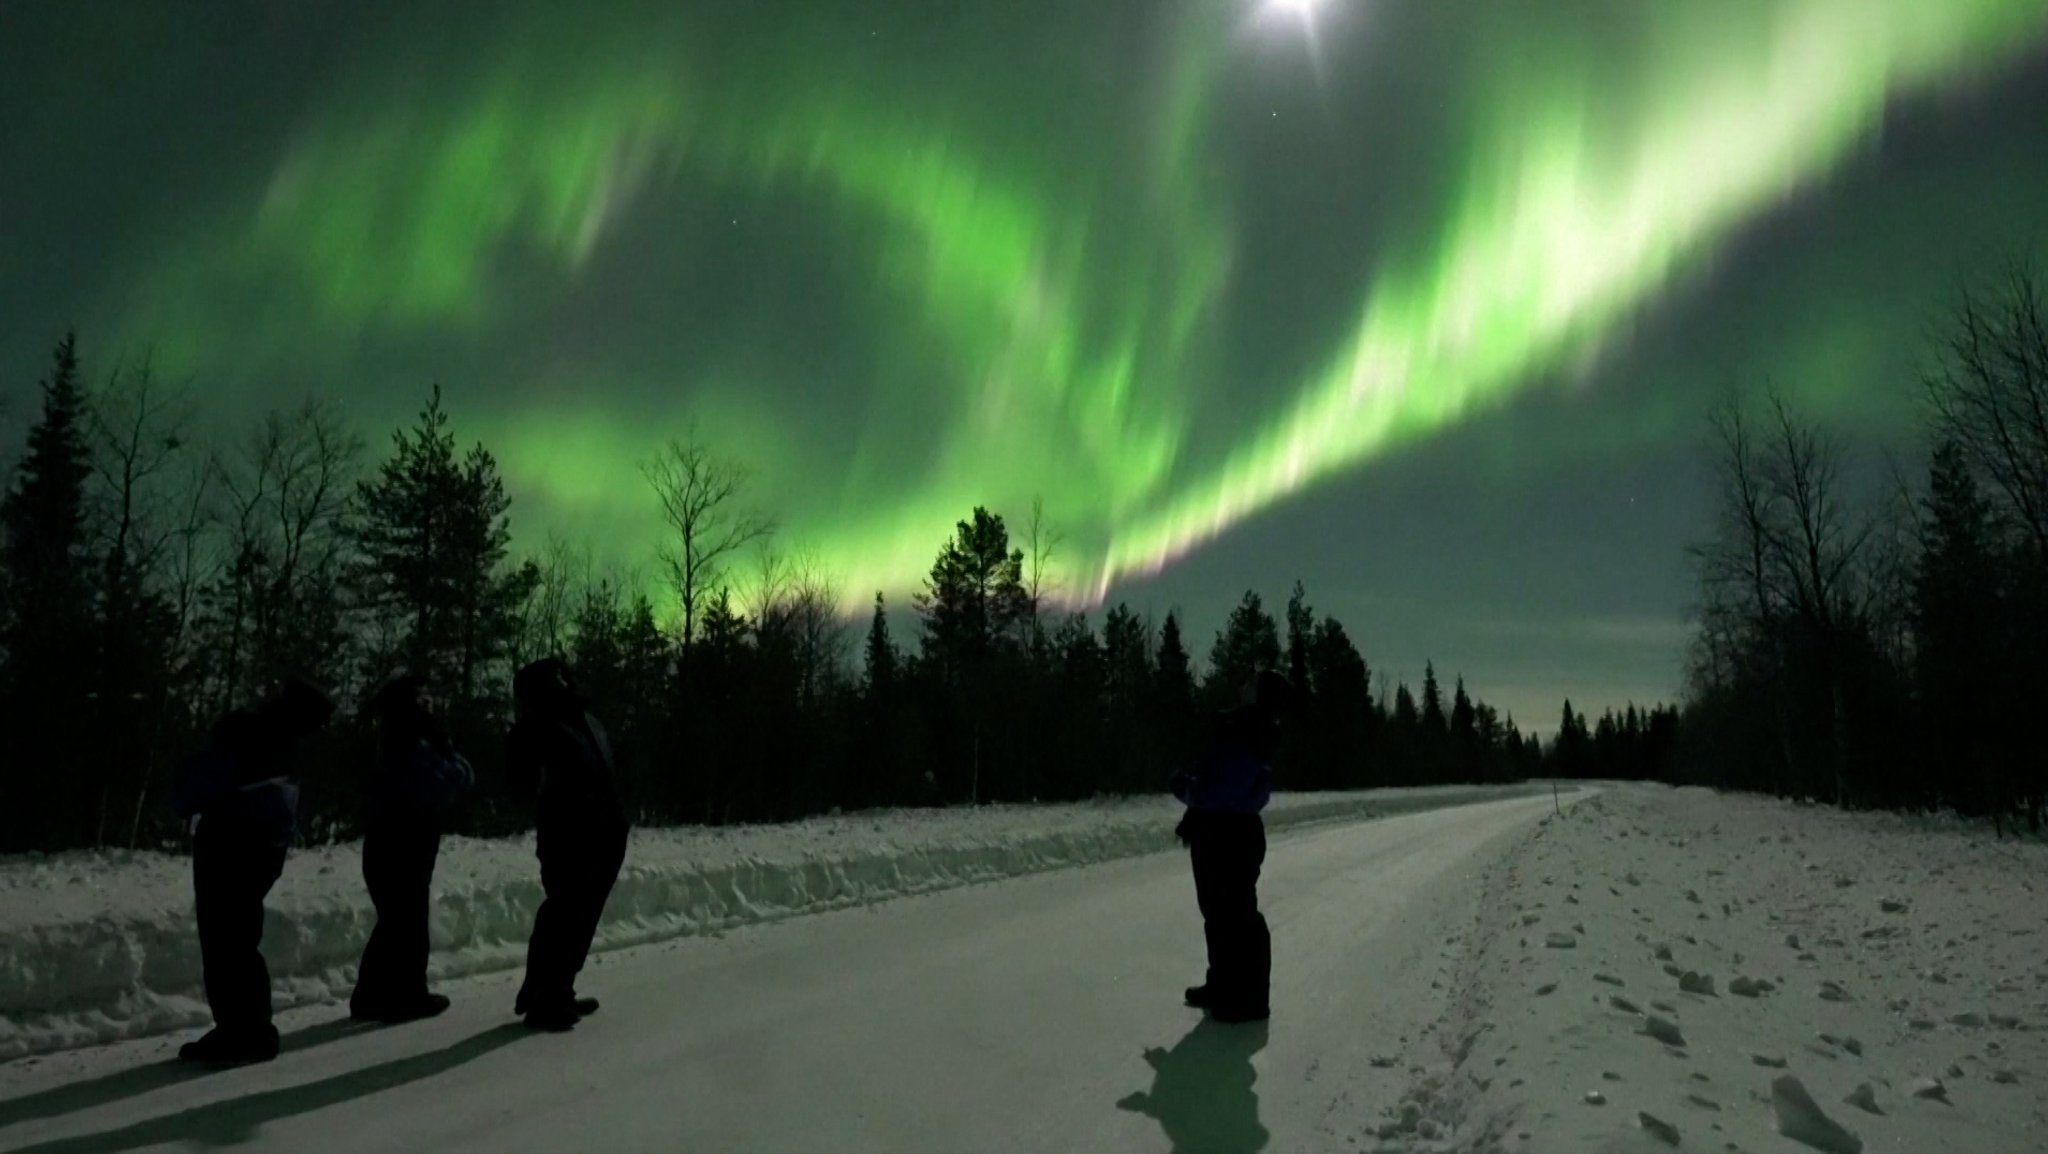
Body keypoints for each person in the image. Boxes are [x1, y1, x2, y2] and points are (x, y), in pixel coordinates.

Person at [168, 677, 336, 1065]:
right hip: (260, 846)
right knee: (236, 938)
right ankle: (241, 1028)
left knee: (227, 941)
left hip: (231, 844)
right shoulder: (283, 745)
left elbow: (186, 792)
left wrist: (224, 741)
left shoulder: (252, 741)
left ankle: (246, 1033)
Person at [508, 656, 629, 1031]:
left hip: (605, 834)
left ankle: (559, 989)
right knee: (563, 914)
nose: (563, 681)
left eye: (563, 675)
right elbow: (520, 777)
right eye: (553, 678)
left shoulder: (586, 719)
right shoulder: (540, 726)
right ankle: (542, 996)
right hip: (567, 836)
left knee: (582, 917)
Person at [1170, 669, 1294, 1024]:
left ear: (1262, 696)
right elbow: (1215, 777)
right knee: (1218, 913)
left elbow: (1223, 787)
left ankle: (1251, 999)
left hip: (1232, 833)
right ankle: (1223, 985)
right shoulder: (1242, 727)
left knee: (1237, 915)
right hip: (1217, 829)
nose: (1243, 686)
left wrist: (1186, 789)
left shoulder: (1252, 731)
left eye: (1251, 684)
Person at [349, 674, 473, 1023]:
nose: (430, 706)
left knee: (396, 920)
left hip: (395, 841)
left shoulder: (400, 742)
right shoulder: (405, 746)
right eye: (423, 700)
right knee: (406, 921)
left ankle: (371, 996)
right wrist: (448, 753)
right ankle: (406, 995)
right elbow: (448, 781)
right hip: (401, 841)